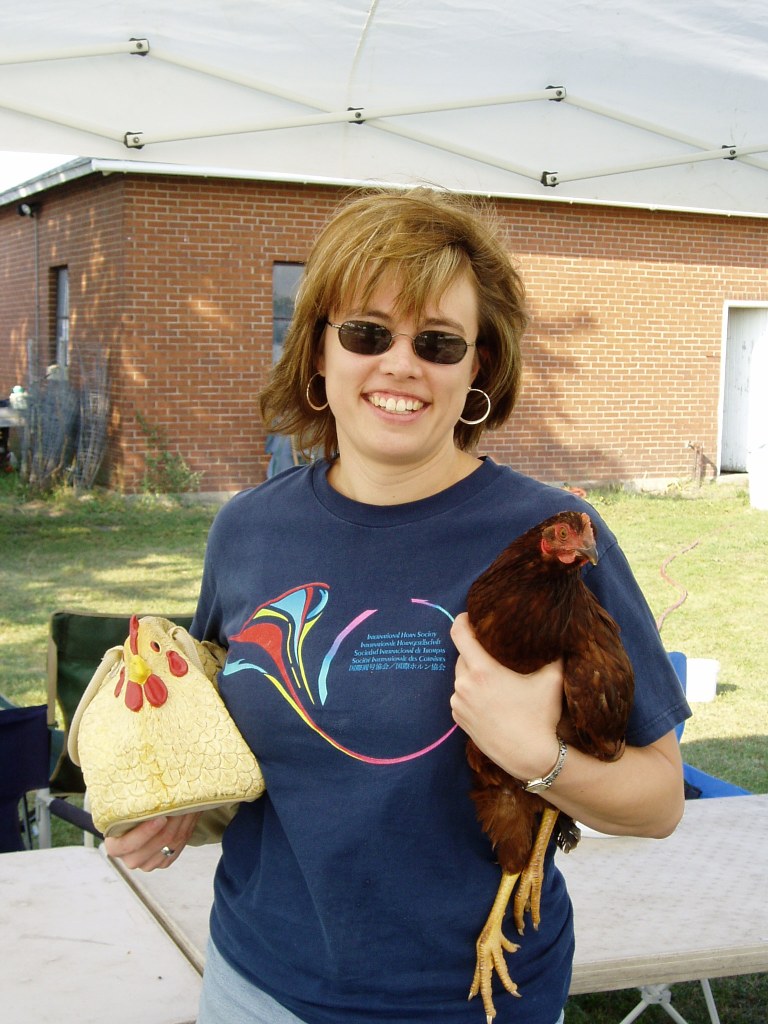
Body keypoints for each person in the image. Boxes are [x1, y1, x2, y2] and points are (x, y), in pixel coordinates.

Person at [106, 187, 689, 1024]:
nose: (401, 364)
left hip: (480, 1001)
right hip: (260, 986)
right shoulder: (248, 530)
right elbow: (234, 743)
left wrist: (538, 755)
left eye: (440, 342)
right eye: (368, 333)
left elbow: (661, 801)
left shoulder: (553, 536)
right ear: (318, 353)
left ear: (479, 366)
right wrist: (177, 804)